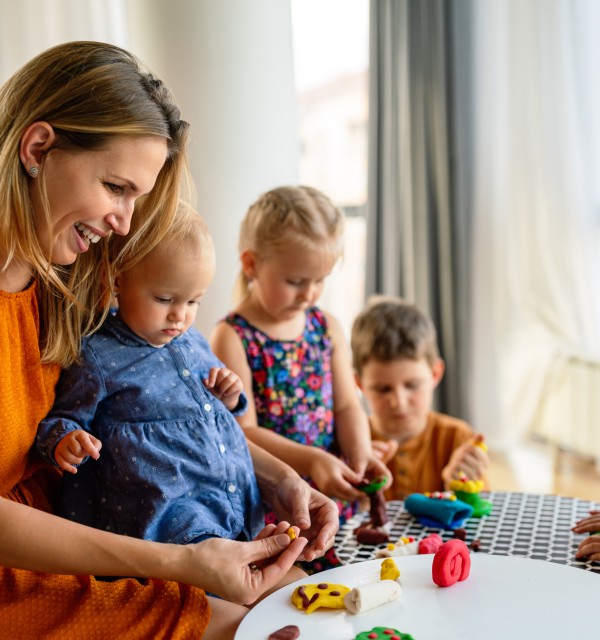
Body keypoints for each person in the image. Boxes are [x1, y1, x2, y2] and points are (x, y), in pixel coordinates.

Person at [0, 41, 337, 639]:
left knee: (304, 603)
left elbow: (164, 416)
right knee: (250, 624)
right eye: (115, 187)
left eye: (137, 198)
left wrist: (281, 479)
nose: (124, 224)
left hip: (82, 537)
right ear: (38, 147)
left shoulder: (66, 288)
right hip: (30, 566)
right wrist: (179, 565)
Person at [36, 202, 305, 584]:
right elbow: (64, 419)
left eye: (193, 300)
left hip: (230, 502)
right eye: (164, 299)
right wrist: (66, 440)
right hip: (165, 519)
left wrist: (229, 396)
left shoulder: (193, 341)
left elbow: (217, 412)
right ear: (118, 280)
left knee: (290, 582)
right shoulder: (97, 355)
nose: (180, 316)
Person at [210, 185, 391, 569]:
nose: (310, 293)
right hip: (274, 501)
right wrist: (312, 461)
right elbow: (243, 432)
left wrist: (359, 454)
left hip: (331, 488)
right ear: (251, 264)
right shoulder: (232, 336)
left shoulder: (326, 326)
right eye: (295, 281)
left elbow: (346, 405)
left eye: (320, 279)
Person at [350, 296, 489, 500]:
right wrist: (355, 487)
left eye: (412, 385)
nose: (399, 402)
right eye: (382, 389)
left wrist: (459, 488)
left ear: (435, 374)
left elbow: (484, 519)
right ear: (359, 384)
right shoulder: (349, 443)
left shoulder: (456, 439)